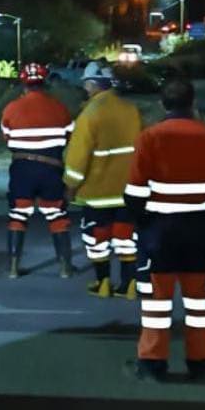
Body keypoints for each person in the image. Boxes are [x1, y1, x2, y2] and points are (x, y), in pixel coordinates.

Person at [123, 77, 205, 380]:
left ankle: (153, 364)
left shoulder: (149, 137)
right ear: (192, 103)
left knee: (156, 305)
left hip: (159, 234)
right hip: (198, 234)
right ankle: (199, 363)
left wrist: (146, 225)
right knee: (198, 305)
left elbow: (134, 194)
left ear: (163, 104)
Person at [64, 61, 142, 297]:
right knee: (126, 236)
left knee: (97, 237)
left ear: (92, 84)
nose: (85, 89)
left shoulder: (89, 114)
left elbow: (78, 157)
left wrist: (71, 185)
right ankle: (129, 284)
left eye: (86, 85)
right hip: (128, 188)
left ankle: (103, 282)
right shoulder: (131, 109)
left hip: (98, 192)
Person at [0, 62, 74, 278]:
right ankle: (65, 268)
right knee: (56, 215)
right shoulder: (60, 108)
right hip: (51, 167)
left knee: (18, 215)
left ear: (24, 84)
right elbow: (69, 136)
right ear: (45, 83)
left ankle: (13, 268)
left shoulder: (11, 108)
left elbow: (7, 138)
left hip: (22, 168)